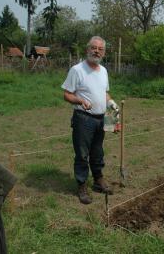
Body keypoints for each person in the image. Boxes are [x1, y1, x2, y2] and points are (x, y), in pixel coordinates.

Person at [61, 36, 118, 204]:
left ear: (104, 52)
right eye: (94, 48)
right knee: (82, 154)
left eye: (100, 49)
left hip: (101, 119)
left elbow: (105, 94)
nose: (97, 51)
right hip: (83, 119)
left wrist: (113, 114)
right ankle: (82, 185)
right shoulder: (77, 70)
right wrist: (80, 101)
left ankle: (98, 181)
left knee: (98, 152)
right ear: (87, 50)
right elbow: (67, 94)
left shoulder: (104, 71)